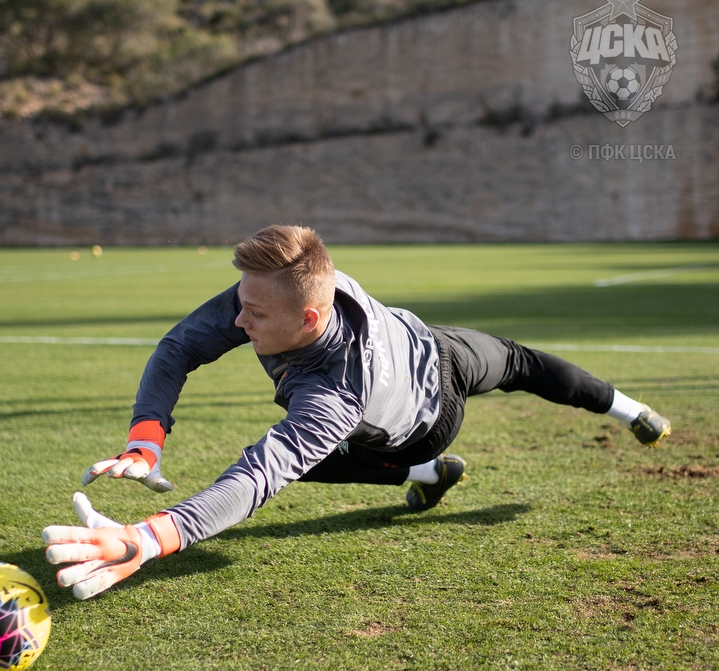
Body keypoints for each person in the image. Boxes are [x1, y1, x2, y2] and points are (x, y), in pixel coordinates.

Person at [43, 225, 672, 600]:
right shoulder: (298, 281)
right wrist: (146, 438)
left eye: (254, 315)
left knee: (520, 365)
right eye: (241, 303)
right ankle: (442, 475)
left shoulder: (332, 396)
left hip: (428, 415)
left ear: (311, 318)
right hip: (422, 344)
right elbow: (180, 346)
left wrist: (147, 539)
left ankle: (441, 467)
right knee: (514, 362)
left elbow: (257, 475)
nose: (238, 320)